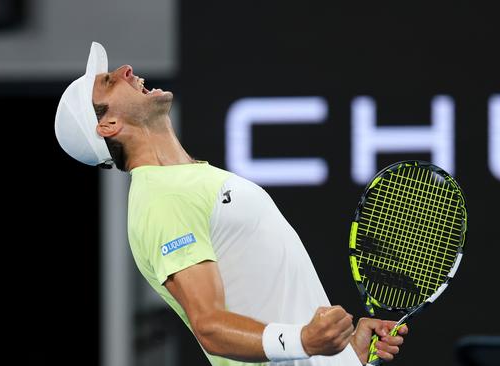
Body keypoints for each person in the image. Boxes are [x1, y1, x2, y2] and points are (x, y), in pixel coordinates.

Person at [55, 42, 408, 365]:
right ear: (109, 125)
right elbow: (209, 326)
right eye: (109, 81)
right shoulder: (163, 198)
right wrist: (304, 340)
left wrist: (345, 356)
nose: (126, 70)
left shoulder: (188, 181)